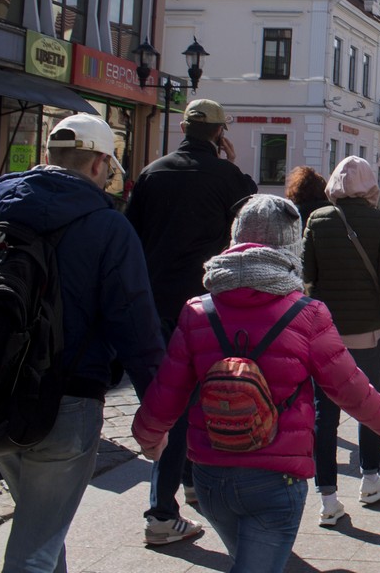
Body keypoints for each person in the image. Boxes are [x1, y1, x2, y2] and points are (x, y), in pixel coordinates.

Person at [132, 194, 380, 572]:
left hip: (211, 474)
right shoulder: (308, 313)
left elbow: (168, 387)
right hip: (276, 477)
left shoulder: (199, 310)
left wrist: (150, 436)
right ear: (292, 246)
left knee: (247, 560)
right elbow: (348, 385)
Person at [0, 114, 166, 571]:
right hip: (67, 400)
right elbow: (137, 329)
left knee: (41, 525)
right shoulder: (108, 227)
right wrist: (157, 412)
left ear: (50, 157)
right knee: (36, 547)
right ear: (100, 164)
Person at [126, 97, 256, 544]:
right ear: (220, 133)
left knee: (172, 398)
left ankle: (186, 484)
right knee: (195, 403)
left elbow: (133, 237)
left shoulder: (152, 172)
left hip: (157, 304)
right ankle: (163, 512)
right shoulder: (230, 178)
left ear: (183, 127)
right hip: (210, 305)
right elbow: (246, 241)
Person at [303, 156, 380, 526]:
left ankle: (328, 499)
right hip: (368, 332)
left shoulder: (317, 221)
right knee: (368, 400)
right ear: (369, 187)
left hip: (324, 336)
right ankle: (370, 479)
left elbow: (307, 280)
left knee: (325, 413)